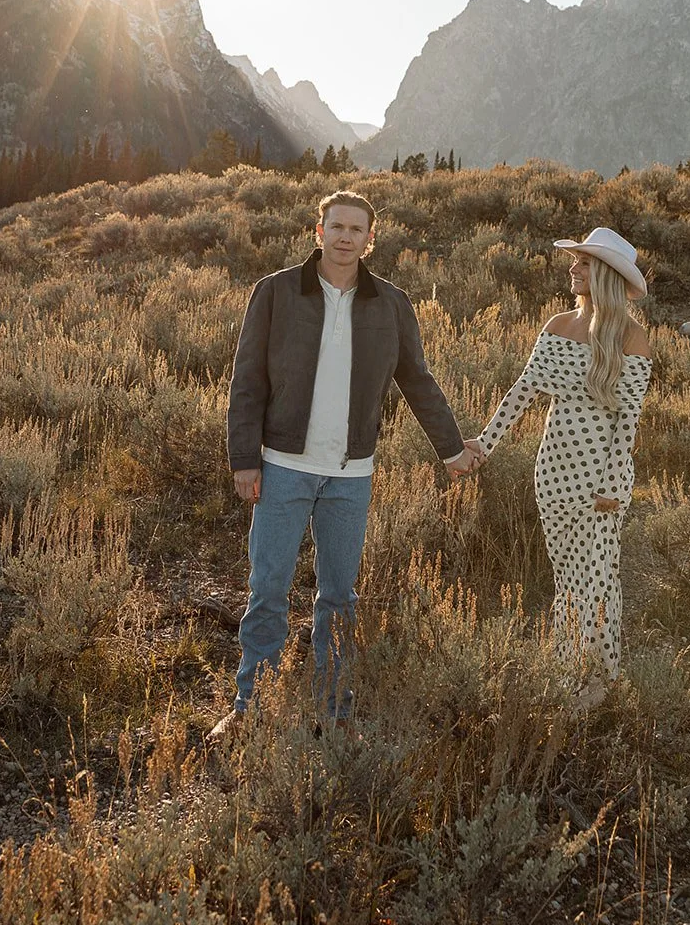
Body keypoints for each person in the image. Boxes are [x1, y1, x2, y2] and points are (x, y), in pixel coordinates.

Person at [212, 189, 479, 735]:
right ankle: (249, 712)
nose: (344, 237)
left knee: (338, 597)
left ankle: (335, 713)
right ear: (319, 232)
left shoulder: (392, 305)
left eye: (356, 230)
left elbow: (418, 382)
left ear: (369, 239)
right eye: (336, 227)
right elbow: (247, 382)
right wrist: (245, 458)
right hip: (283, 465)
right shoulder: (275, 292)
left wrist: (451, 448)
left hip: (350, 477)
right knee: (268, 591)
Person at [469, 227, 652, 702]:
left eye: (584, 263)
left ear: (607, 274)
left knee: (598, 577)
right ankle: (569, 675)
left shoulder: (633, 337)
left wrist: (614, 482)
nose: (573, 268)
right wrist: (484, 445)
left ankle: (598, 683)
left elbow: (628, 421)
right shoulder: (555, 326)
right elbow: (522, 393)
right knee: (567, 579)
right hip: (552, 471)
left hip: (600, 478)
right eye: (575, 261)